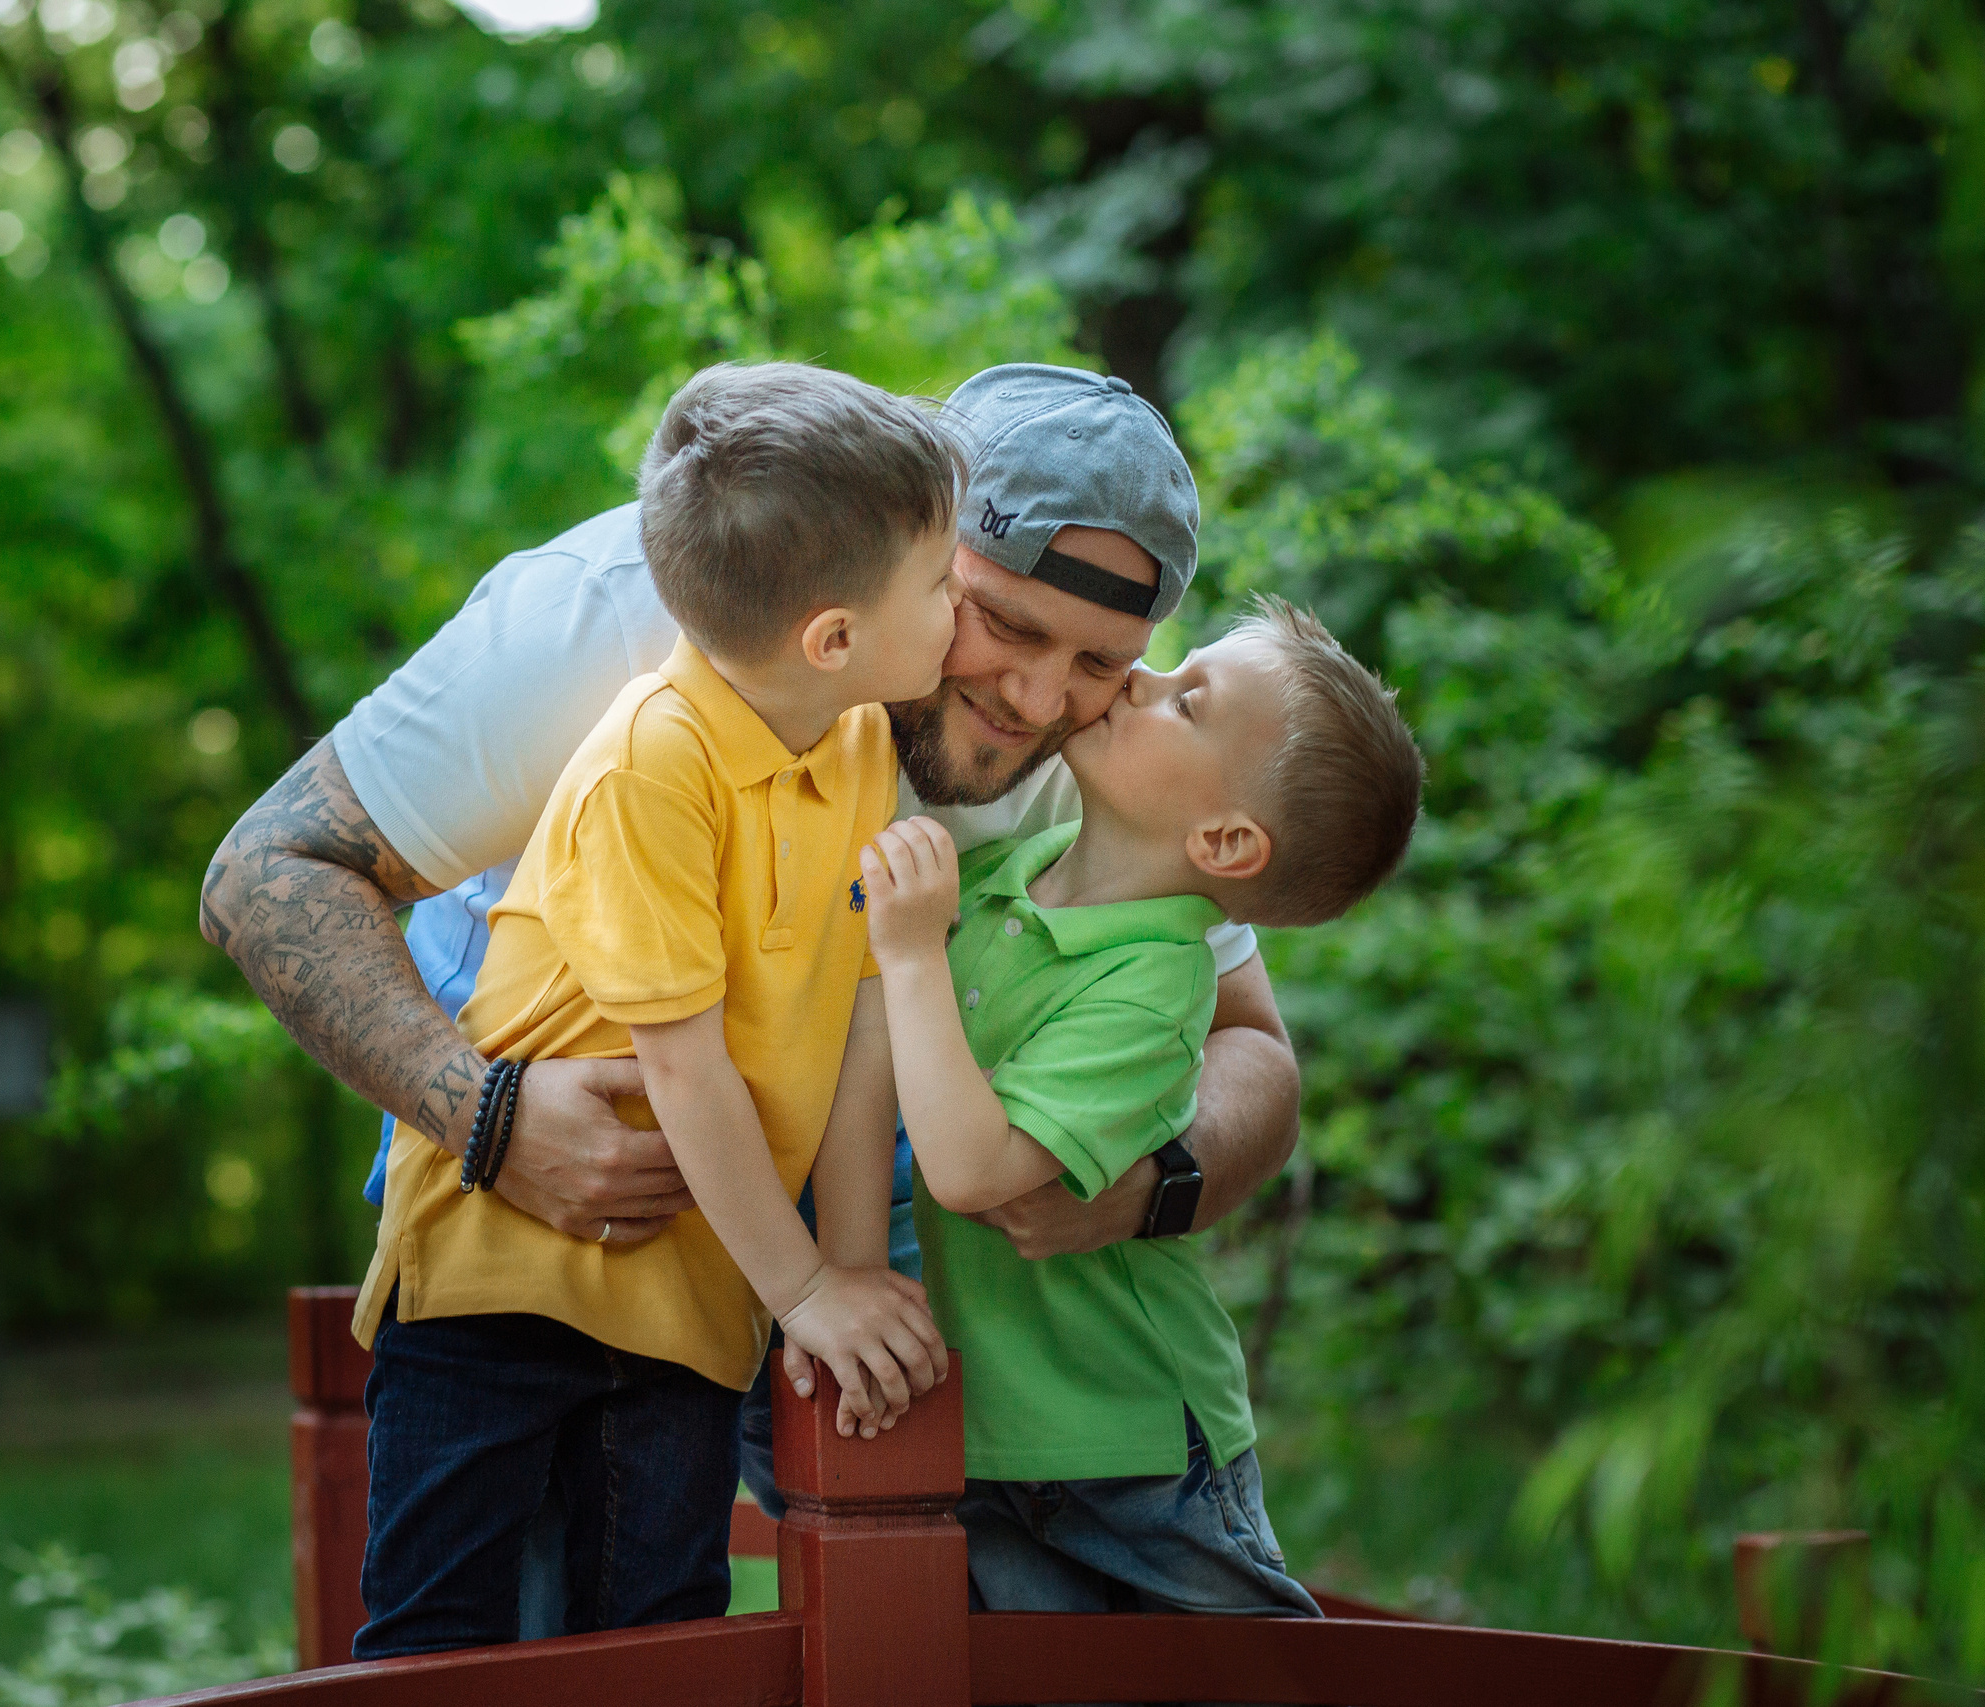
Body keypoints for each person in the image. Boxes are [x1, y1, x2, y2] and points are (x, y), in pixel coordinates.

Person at [199, 362, 1305, 1610]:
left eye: (1104, 658)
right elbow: (266, 873)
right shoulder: (631, 613)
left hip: (886, 1209)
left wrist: (1139, 1190)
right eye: (1003, 624)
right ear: (905, 560)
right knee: (513, 1625)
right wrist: (484, 1113)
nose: (1037, 701)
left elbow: (1252, 1047)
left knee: (839, 1617)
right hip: (554, 1199)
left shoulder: (1114, 756)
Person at [348, 363, 957, 1657]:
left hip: (691, 1283)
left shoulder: (856, 746)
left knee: (663, 1636)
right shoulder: (649, 760)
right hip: (501, 1272)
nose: (966, 606)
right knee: (440, 1639)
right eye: (946, 585)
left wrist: (847, 1270)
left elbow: (858, 1025)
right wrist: (804, 1287)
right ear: (835, 636)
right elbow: (683, 1071)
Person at [856, 594, 1423, 1623]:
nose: (1138, 680)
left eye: (1186, 701)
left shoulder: (1157, 987)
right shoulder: (996, 881)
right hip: (989, 1428)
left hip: (1132, 1438)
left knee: (1243, 1676)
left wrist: (904, 955)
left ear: (1224, 840)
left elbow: (976, 1169)